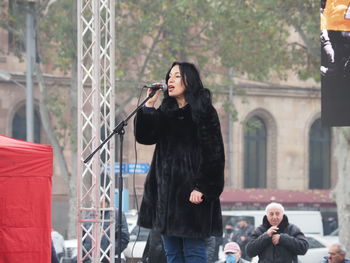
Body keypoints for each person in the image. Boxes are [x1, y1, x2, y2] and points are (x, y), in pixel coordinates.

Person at [135, 61, 225, 263]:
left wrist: (202, 187)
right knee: (172, 254)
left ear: (189, 80)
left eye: (176, 76)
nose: (170, 80)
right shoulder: (166, 111)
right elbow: (145, 137)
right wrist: (149, 105)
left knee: (193, 253)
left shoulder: (204, 111)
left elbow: (215, 154)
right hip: (165, 196)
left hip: (192, 195)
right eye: (169, 76)